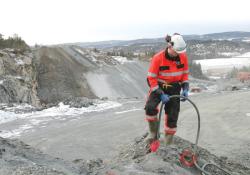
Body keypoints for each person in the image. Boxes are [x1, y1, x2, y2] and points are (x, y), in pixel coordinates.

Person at [144, 33, 189, 146]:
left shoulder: (182, 57)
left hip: (174, 88)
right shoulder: (158, 58)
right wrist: (160, 93)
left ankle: (168, 142)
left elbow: (185, 75)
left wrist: (185, 88)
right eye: (177, 51)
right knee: (150, 108)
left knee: (173, 115)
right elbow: (151, 78)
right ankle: (153, 134)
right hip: (159, 86)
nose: (178, 54)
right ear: (170, 46)